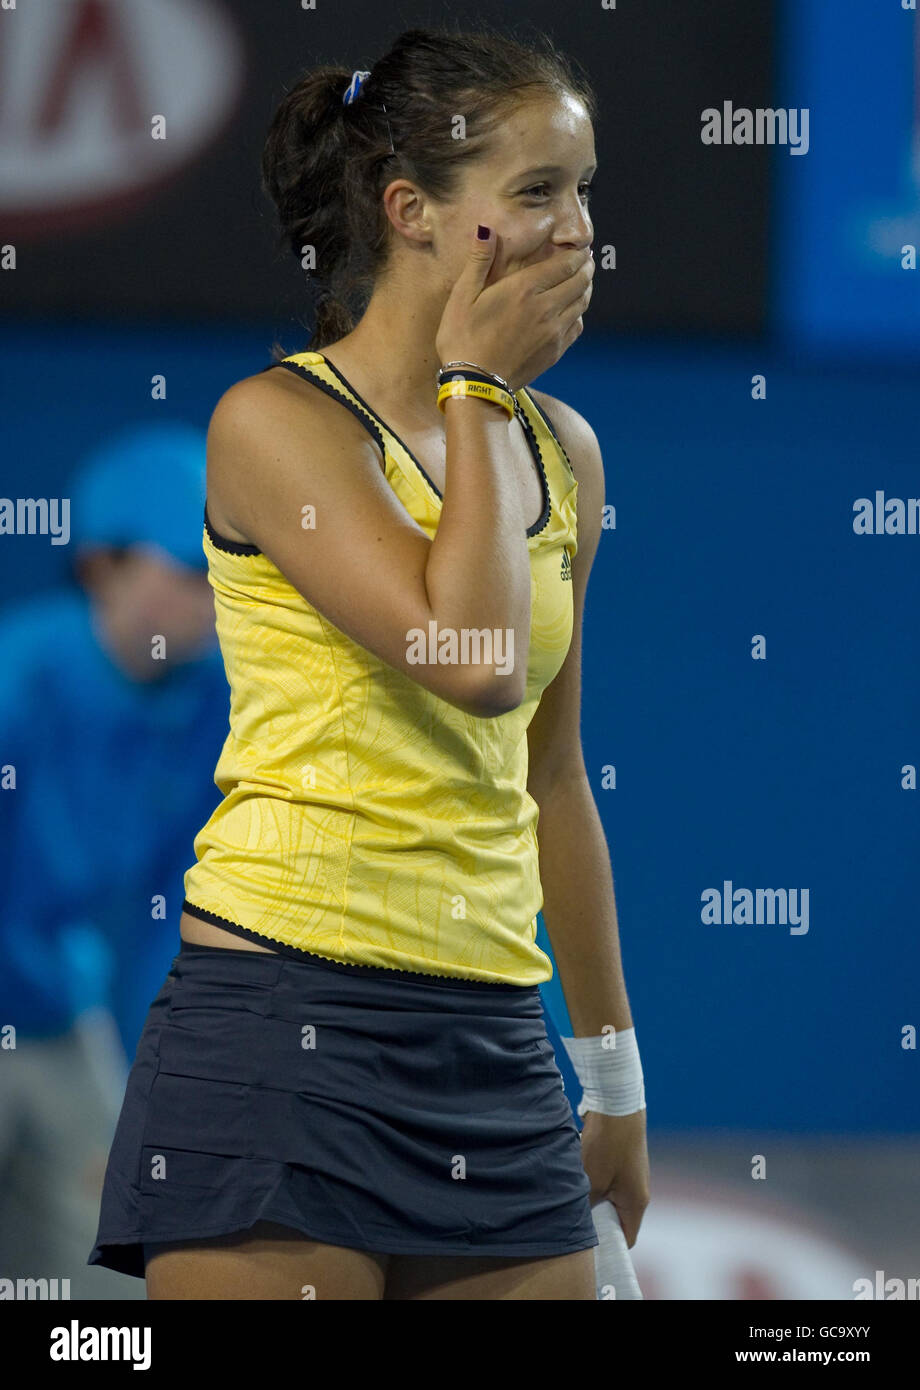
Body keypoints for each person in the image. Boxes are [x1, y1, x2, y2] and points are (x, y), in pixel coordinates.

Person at [89, 24, 649, 1301]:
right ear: (411, 212)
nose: (578, 231)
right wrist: (471, 387)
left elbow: (549, 774)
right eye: (536, 192)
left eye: (583, 189)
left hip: (494, 1048)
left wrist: (610, 1075)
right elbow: (474, 659)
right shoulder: (273, 424)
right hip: (281, 1035)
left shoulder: (564, 449)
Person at [0, 422, 230, 1298]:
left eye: (224, 572)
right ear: (102, 569)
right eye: (187, 571)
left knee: (114, 1287)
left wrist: (151, 1098)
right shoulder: (19, 677)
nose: (213, 599)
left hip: (62, 1020)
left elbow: (179, 918)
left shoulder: (216, 699)